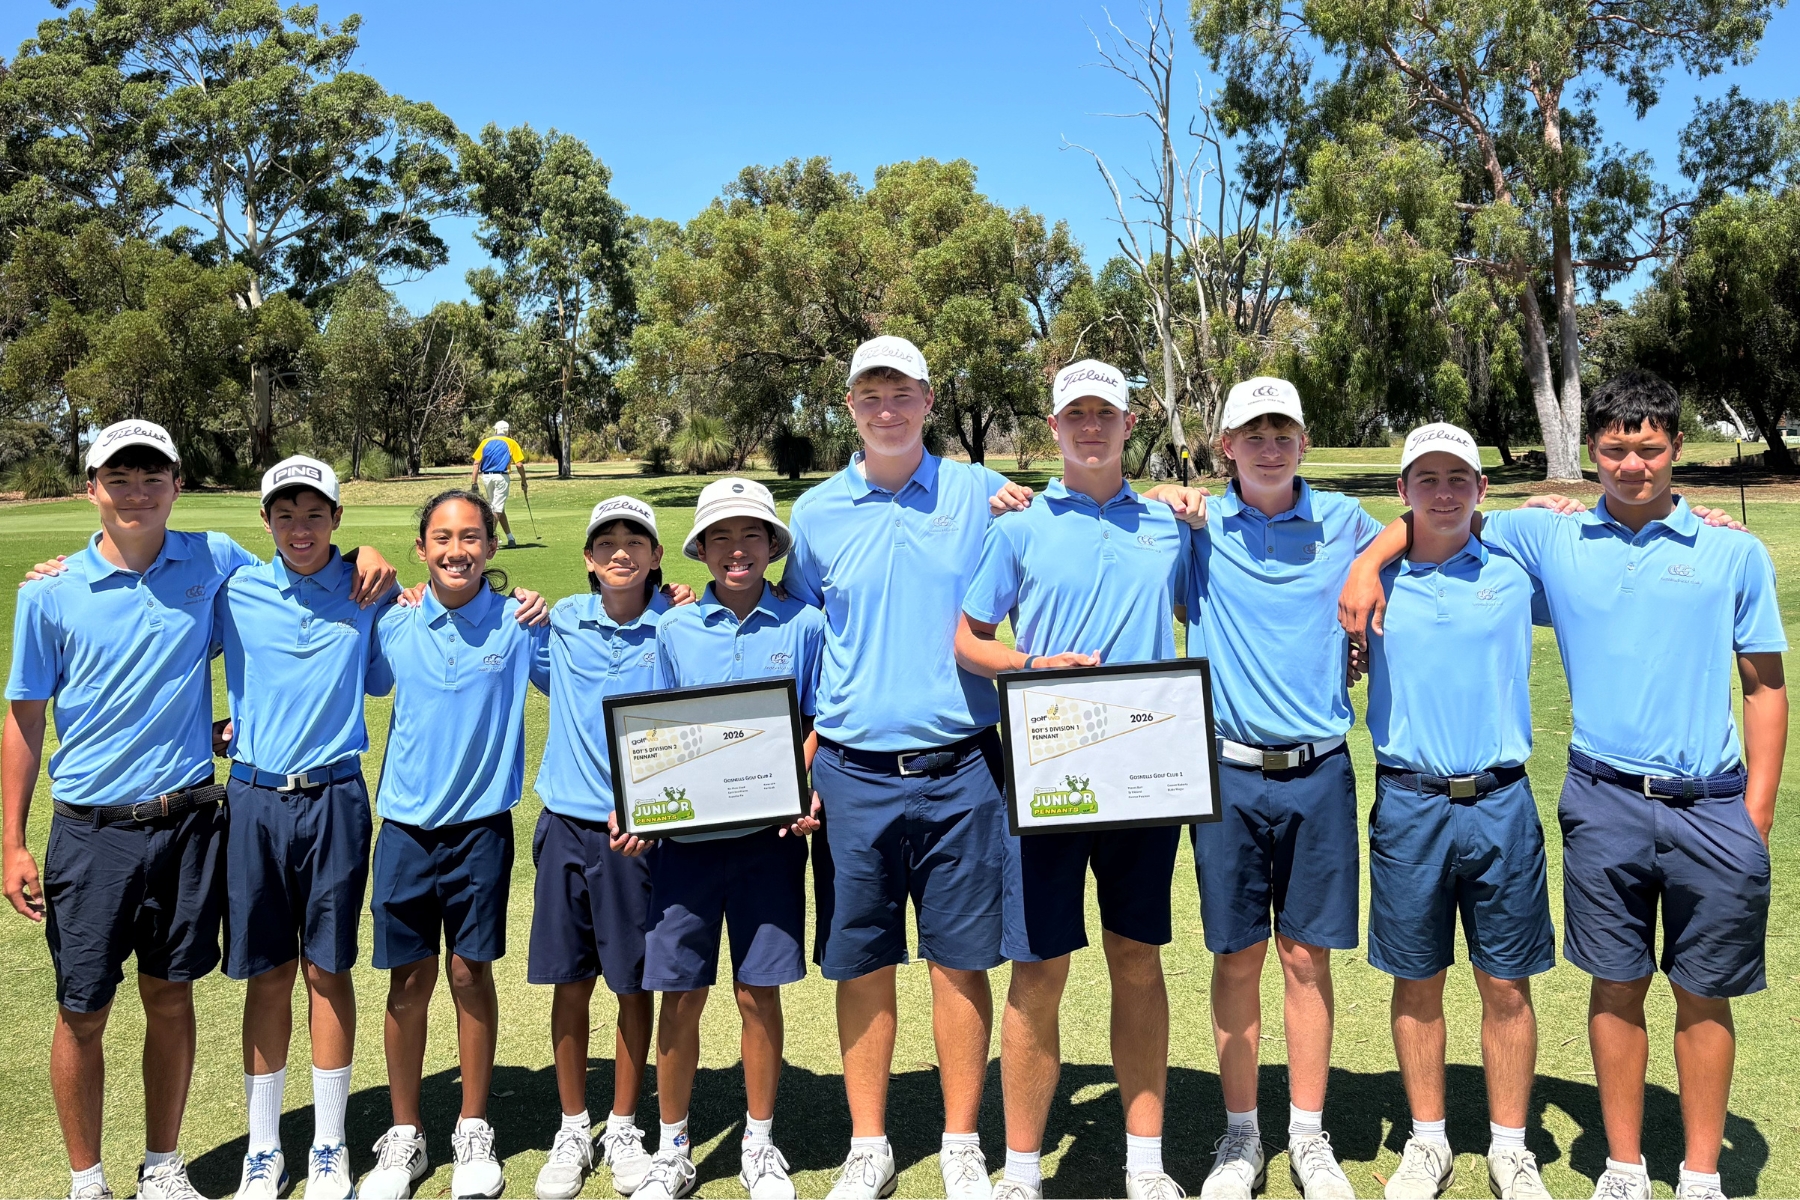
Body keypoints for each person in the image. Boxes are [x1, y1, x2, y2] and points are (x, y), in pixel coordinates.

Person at [1340, 373, 1787, 1200]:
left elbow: (1764, 684)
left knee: (1697, 994)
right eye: (1614, 449)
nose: (1631, 465)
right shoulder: (1551, 539)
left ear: (1676, 450)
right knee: (1609, 984)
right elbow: (1431, 519)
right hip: (1589, 800)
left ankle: (1695, 1176)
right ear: (1590, 454)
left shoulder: (1727, 550)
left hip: (1703, 804)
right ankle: (1610, 1166)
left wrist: (1754, 814)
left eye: (1649, 449)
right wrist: (1370, 560)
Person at [783, 335, 1204, 1200]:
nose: (888, 408)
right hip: (936, 768)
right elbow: (800, 619)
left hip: (1026, 769)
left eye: (903, 393)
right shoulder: (829, 513)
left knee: (1047, 957)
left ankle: (1005, 1146)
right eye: (872, 395)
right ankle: (901, 1150)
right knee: (914, 961)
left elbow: (1239, 598)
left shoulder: (1000, 498)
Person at [2, 423, 394, 1200]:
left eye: (153, 476)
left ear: (177, 486)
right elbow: (23, 718)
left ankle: (167, 1166)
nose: (137, 490)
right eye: (120, 476)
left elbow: (312, 581)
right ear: (92, 488)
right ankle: (88, 1181)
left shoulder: (213, 563)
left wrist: (372, 556)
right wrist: (11, 841)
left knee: (174, 994)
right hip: (92, 828)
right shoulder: (49, 592)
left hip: (191, 820)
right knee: (83, 1009)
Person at [954, 360, 1191, 1200]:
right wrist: (1026, 664)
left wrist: (1188, 498)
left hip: (1147, 777)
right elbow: (970, 639)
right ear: (1052, 428)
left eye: (1106, 414)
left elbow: (1219, 612)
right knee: (1040, 969)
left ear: (1131, 425)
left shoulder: (1170, 525)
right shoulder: (1017, 526)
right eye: (1075, 415)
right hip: (1050, 769)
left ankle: (1145, 1160)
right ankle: (1021, 1169)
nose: (1091, 427)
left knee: (1137, 958)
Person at [1186, 377, 1381, 1200]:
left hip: (1320, 770)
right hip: (1224, 773)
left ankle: (1307, 1133)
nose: (1269, 445)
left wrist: (1372, 559)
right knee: (1238, 959)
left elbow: (1432, 524)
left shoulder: (1345, 522)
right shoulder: (1193, 524)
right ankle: (1240, 1136)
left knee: (1306, 960)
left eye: (1284, 431)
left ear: (1304, 440)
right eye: (1252, 432)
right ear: (1225, 444)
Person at [1355, 426, 1554, 1200]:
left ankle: (1510, 1146)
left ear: (1481, 488)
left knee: (1506, 983)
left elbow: (1606, 536)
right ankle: (1428, 1141)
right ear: (1402, 493)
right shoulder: (1373, 580)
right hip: (1410, 803)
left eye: (1459, 478)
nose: (1444, 492)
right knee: (1419, 979)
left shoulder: (1515, 567)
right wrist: (1374, 559)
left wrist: (1703, 517)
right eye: (1427, 479)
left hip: (1501, 800)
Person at [630, 478, 825, 1200]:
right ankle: (673, 1145)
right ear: (702, 551)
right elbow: (656, 734)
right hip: (687, 847)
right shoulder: (674, 629)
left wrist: (797, 784)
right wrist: (644, 805)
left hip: (769, 841)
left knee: (756, 992)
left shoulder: (802, 624)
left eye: (751, 536)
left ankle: (759, 1140)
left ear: (772, 547)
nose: (736, 549)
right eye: (720, 537)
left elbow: (816, 720)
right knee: (679, 994)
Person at [358, 490, 552, 1200]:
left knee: (471, 973)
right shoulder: (395, 621)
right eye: (441, 537)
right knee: (407, 981)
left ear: (491, 548)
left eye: (471, 537)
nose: (455, 550)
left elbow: (586, 669)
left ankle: (473, 1126)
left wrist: (667, 594)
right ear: (421, 548)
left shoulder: (520, 620)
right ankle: (405, 1134)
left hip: (481, 830)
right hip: (405, 828)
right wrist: (367, 559)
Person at [529, 496, 671, 1200]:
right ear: (588, 559)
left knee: (632, 982)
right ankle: (571, 1123)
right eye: (607, 541)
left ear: (655, 557)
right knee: (569, 980)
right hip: (564, 825)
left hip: (635, 833)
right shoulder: (557, 621)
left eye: (635, 541)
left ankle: (622, 1124)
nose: (620, 551)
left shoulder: (675, 627)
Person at [470, 420, 530, 548]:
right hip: (502, 477)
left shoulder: (485, 442)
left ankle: (510, 538)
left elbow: (476, 463)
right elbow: (519, 464)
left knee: (498, 507)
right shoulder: (511, 442)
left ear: (496, 430)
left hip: (486, 477)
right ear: (507, 431)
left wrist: (474, 482)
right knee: (497, 508)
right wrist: (524, 481)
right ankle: (487, 539)